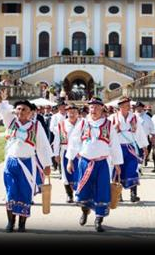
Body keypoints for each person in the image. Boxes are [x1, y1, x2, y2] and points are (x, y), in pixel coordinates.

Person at [0, 77, 52, 233]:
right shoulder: (10, 121)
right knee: (10, 192)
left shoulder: (36, 126)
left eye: (24, 110)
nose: (21, 112)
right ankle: (10, 222)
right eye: (19, 109)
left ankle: (22, 224)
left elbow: (43, 147)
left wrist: (47, 165)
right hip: (11, 163)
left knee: (25, 194)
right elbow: (0, 106)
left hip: (28, 164)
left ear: (31, 113)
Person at [65, 97, 123, 232]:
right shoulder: (83, 123)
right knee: (83, 191)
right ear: (88, 108)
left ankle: (99, 220)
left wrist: (117, 164)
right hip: (84, 162)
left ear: (102, 108)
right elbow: (74, 142)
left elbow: (114, 145)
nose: (94, 109)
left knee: (102, 191)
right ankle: (85, 212)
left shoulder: (108, 125)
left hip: (102, 163)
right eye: (91, 107)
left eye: (97, 107)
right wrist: (69, 160)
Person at [109, 97, 148, 202]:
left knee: (132, 169)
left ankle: (133, 194)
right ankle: (118, 194)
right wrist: (115, 129)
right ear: (120, 106)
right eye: (126, 105)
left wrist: (144, 146)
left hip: (130, 147)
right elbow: (107, 134)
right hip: (117, 147)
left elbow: (140, 132)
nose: (129, 107)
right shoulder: (112, 118)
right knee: (118, 170)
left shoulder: (134, 118)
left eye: (129, 105)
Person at [53, 104, 82, 203]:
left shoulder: (83, 124)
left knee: (80, 173)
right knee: (66, 175)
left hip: (80, 152)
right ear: (67, 113)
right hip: (65, 152)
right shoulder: (61, 124)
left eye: (74, 112)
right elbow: (56, 140)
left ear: (78, 113)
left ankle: (79, 194)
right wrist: (56, 154)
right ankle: (69, 195)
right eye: (70, 112)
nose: (72, 114)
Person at [134, 101, 155, 171]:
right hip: (134, 138)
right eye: (137, 107)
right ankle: (136, 167)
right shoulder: (133, 116)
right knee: (134, 153)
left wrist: (152, 137)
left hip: (144, 138)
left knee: (142, 153)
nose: (139, 109)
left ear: (142, 108)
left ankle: (139, 167)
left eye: (140, 107)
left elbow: (152, 128)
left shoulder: (147, 117)